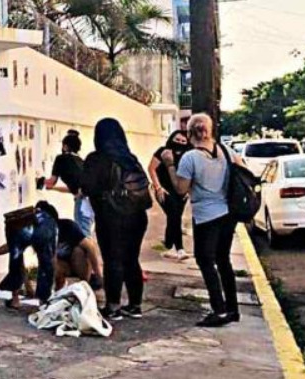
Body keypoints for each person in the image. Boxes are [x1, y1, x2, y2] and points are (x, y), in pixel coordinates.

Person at [166, 114, 240, 327]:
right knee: (223, 259)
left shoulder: (190, 158)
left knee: (205, 260)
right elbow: (242, 168)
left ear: (190, 134)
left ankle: (218, 309)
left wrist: (171, 165)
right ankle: (232, 308)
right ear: (210, 130)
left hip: (206, 215)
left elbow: (181, 189)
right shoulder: (227, 151)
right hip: (228, 212)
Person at [80, 118, 152, 321]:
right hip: (137, 216)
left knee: (113, 260)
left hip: (111, 216)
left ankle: (113, 307)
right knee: (131, 259)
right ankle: (135, 305)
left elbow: (87, 187)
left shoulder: (96, 159)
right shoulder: (130, 158)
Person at [0, 201, 58, 307]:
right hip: (36, 228)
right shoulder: (51, 223)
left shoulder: (28, 217)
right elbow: (52, 259)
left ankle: (15, 300)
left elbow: (12, 245)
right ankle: (43, 302)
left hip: (17, 224)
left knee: (16, 260)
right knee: (46, 263)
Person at [149, 130, 191, 260]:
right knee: (174, 215)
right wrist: (158, 187)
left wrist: (189, 190)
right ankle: (179, 249)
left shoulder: (188, 155)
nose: (179, 143)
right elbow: (151, 168)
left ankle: (168, 243)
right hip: (164, 190)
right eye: (177, 140)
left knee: (174, 216)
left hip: (181, 192)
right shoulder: (163, 151)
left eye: (183, 141)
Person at [45, 130, 89, 235]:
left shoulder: (61, 159)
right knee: (85, 231)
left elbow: (51, 182)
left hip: (82, 201)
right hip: (90, 201)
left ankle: (91, 252)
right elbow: (73, 189)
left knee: (82, 236)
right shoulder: (81, 161)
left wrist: (40, 181)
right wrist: (54, 189)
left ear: (65, 146)